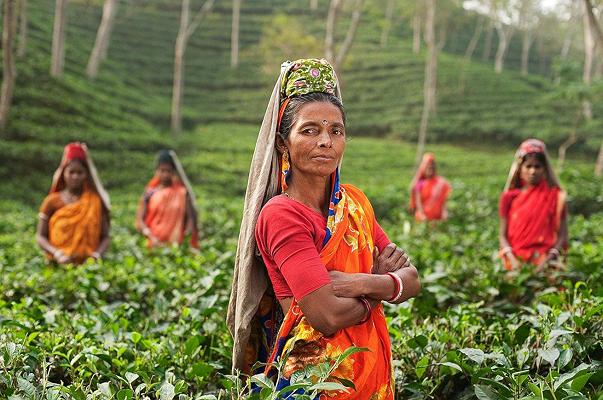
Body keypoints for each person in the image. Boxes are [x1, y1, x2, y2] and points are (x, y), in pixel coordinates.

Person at [227, 59, 421, 398]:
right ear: (282, 143)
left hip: (368, 368)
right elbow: (326, 316)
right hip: (316, 380)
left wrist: (360, 282)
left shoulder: (355, 202)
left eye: (336, 130)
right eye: (310, 130)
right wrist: (383, 290)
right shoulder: (282, 215)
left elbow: (413, 279)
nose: (325, 141)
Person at [499, 139, 568, 271]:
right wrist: (513, 260)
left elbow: (562, 236)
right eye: (528, 166)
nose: (532, 171)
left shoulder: (556, 197)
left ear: (544, 169)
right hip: (515, 263)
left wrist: (548, 260)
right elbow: (502, 235)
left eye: (537, 166)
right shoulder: (509, 197)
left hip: (546, 263)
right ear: (520, 168)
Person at [36, 142, 111, 264]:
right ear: (63, 174)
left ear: (86, 175)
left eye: (80, 173)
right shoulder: (51, 201)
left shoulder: (95, 201)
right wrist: (57, 253)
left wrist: (96, 256)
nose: (75, 177)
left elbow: (105, 236)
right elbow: (40, 236)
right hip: (57, 264)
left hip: (89, 267)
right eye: (71, 172)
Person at [135, 150, 199, 249]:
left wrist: (186, 237)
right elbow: (140, 220)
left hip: (176, 246)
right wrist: (149, 235)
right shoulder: (149, 193)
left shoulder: (182, 193)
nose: (165, 174)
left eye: (168, 171)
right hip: (152, 244)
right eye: (162, 170)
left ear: (173, 172)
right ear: (156, 171)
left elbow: (190, 218)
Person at [409, 153, 451, 221]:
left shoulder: (441, 182)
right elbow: (418, 202)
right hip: (423, 218)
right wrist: (422, 215)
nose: (430, 170)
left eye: (432, 168)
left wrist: (444, 213)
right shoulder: (420, 183)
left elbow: (444, 201)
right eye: (428, 167)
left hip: (438, 218)